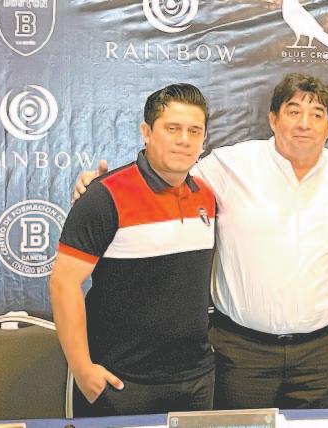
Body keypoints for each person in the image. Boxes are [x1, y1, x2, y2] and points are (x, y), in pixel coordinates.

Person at [73, 73, 328, 409]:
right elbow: (164, 177)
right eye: (293, 111)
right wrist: (101, 187)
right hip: (242, 354)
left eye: (317, 114)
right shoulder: (229, 165)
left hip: (325, 355)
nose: (304, 123)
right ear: (273, 119)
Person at [50, 83, 215, 416]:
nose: (184, 139)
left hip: (196, 379)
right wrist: (82, 369)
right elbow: (63, 283)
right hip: (122, 383)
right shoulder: (105, 195)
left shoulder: (207, 195)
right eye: (172, 128)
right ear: (146, 132)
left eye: (194, 131)